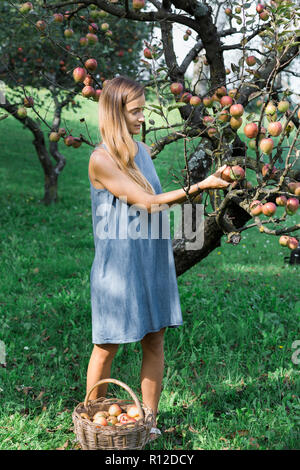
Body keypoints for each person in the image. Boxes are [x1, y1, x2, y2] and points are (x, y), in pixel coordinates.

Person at [86, 75, 230, 441]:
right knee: (107, 346)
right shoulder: (100, 160)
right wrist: (201, 185)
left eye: (143, 110)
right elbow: (146, 202)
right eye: (135, 111)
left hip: (151, 257)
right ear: (116, 113)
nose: (142, 118)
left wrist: (203, 201)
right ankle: (93, 426)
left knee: (155, 339)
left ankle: (148, 424)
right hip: (118, 267)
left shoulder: (143, 151)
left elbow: (157, 205)